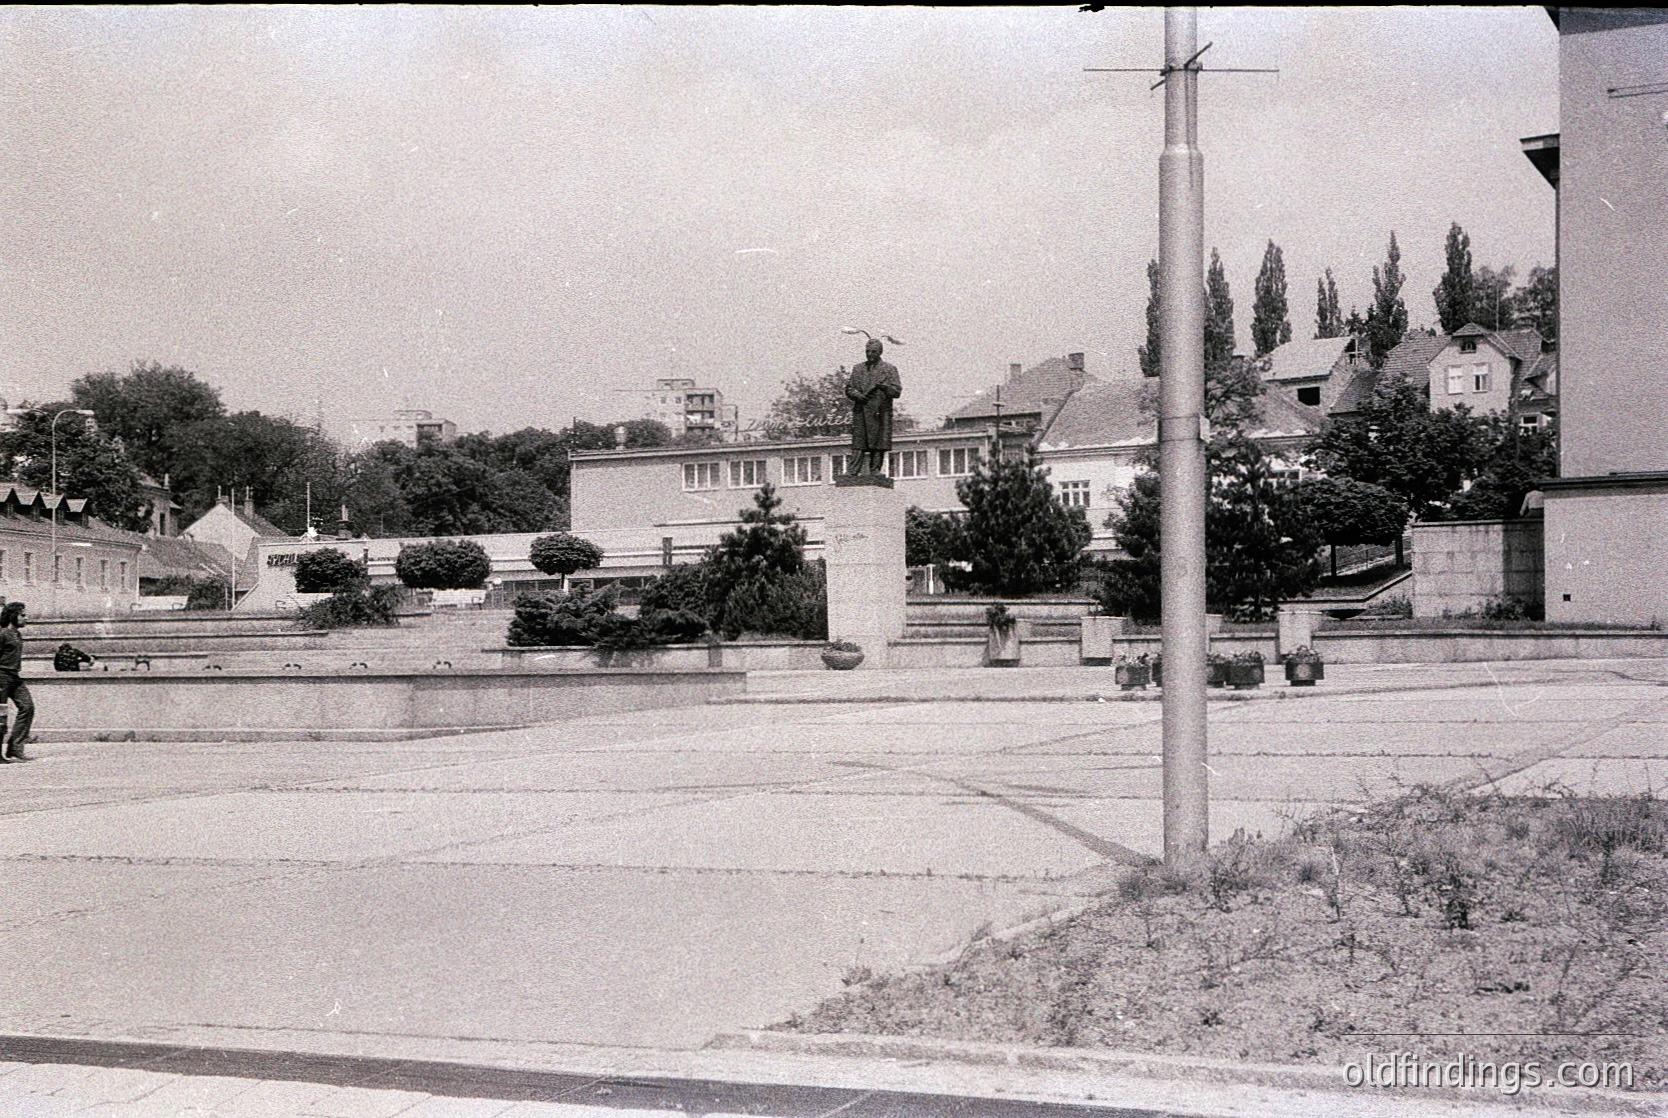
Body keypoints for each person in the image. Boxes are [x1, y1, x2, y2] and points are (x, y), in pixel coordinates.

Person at [845, 337, 902, 476]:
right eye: (867, 351)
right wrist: (856, 394)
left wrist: (885, 387)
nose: (870, 354)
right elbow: (849, 388)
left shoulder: (889, 369)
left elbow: (897, 391)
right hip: (861, 411)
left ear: (880, 352)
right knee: (858, 443)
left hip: (879, 411)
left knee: (878, 443)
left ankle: (875, 469)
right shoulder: (858, 369)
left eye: (873, 351)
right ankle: (853, 471)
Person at [0, 601, 34, 762]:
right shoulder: (2, 634)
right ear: (13, 616)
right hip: (2, 677)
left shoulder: (17, 635)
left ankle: (15, 748)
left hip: (14, 677)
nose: (26, 618)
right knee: (1, 715)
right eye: (23, 615)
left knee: (27, 707)